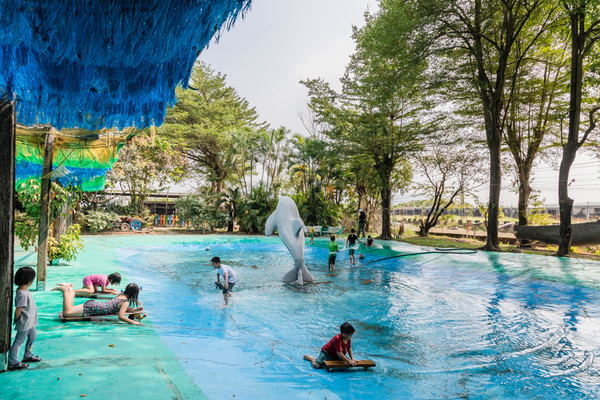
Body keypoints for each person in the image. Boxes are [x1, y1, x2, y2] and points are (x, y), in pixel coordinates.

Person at [53, 283, 144, 325]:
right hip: (93, 309)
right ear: (134, 294)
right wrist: (134, 322)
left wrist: (135, 310)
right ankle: (65, 290)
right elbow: (121, 316)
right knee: (67, 313)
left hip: (93, 304)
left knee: (70, 309)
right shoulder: (126, 302)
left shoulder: (121, 295)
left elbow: (119, 308)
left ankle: (70, 289)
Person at [8, 267, 40, 371]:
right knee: (18, 341)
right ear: (29, 281)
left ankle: (28, 354)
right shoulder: (22, 294)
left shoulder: (24, 291)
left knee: (33, 337)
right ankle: (12, 362)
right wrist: (16, 319)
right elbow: (18, 310)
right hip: (25, 322)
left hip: (30, 321)